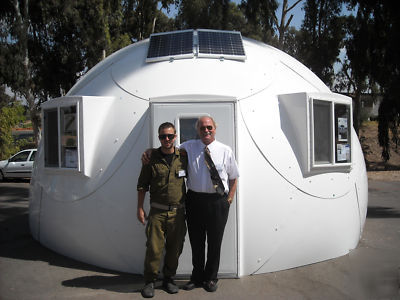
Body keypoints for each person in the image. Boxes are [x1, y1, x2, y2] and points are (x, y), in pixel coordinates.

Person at [143, 116, 239, 293]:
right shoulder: (188, 147)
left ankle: (210, 278)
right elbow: (167, 148)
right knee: (197, 241)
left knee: (215, 242)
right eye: (202, 128)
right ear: (198, 130)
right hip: (194, 200)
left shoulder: (225, 150)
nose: (206, 131)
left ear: (215, 128)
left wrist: (229, 199)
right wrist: (150, 151)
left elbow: (234, 176)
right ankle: (197, 277)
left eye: (209, 127)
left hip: (218, 201)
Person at [137, 122, 187, 298]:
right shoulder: (151, 158)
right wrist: (140, 208)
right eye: (163, 136)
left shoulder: (183, 157)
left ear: (175, 137)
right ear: (159, 138)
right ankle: (150, 281)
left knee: (175, 249)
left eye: (170, 136)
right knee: (154, 249)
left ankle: (168, 279)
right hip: (157, 213)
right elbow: (142, 186)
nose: (167, 139)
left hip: (178, 213)